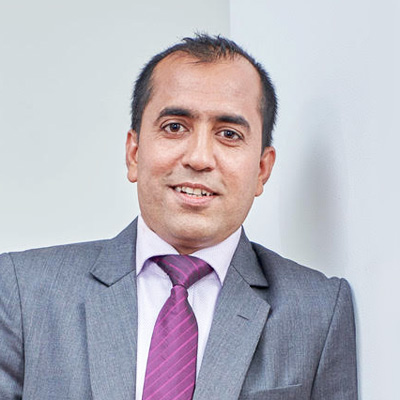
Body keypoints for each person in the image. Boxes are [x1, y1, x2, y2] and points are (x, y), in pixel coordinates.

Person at [0, 34, 358, 399]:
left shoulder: (318, 311)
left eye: (229, 134)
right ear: (133, 153)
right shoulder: (21, 291)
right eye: (175, 127)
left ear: (262, 170)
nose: (199, 158)